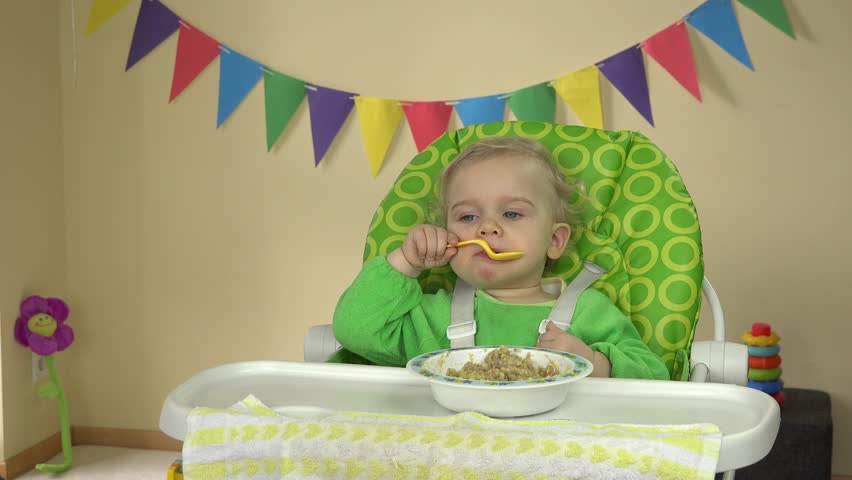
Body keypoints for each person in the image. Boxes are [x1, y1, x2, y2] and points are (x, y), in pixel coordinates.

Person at [331, 137, 669, 380]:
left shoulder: (589, 312)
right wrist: (406, 262)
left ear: (554, 240)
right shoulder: (431, 318)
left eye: (511, 214)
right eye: (467, 218)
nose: (487, 228)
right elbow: (355, 330)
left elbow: (654, 378)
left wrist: (594, 361)